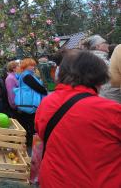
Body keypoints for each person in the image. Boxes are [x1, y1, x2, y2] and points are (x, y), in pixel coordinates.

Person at [35, 49, 121, 188]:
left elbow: (43, 133)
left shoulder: (46, 103)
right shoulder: (111, 111)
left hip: (53, 180)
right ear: (99, 75)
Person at [17, 58, 47, 146]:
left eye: (34, 65)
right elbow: (39, 88)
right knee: (31, 124)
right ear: (25, 66)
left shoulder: (23, 75)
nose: (33, 67)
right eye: (31, 65)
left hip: (26, 104)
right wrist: (45, 91)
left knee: (27, 124)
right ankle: (31, 144)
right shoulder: (27, 76)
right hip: (30, 104)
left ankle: (28, 142)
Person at [81, 35, 120, 103]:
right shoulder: (99, 60)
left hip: (105, 94)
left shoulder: (92, 58)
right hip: (110, 95)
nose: (107, 44)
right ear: (97, 46)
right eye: (104, 42)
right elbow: (114, 74)